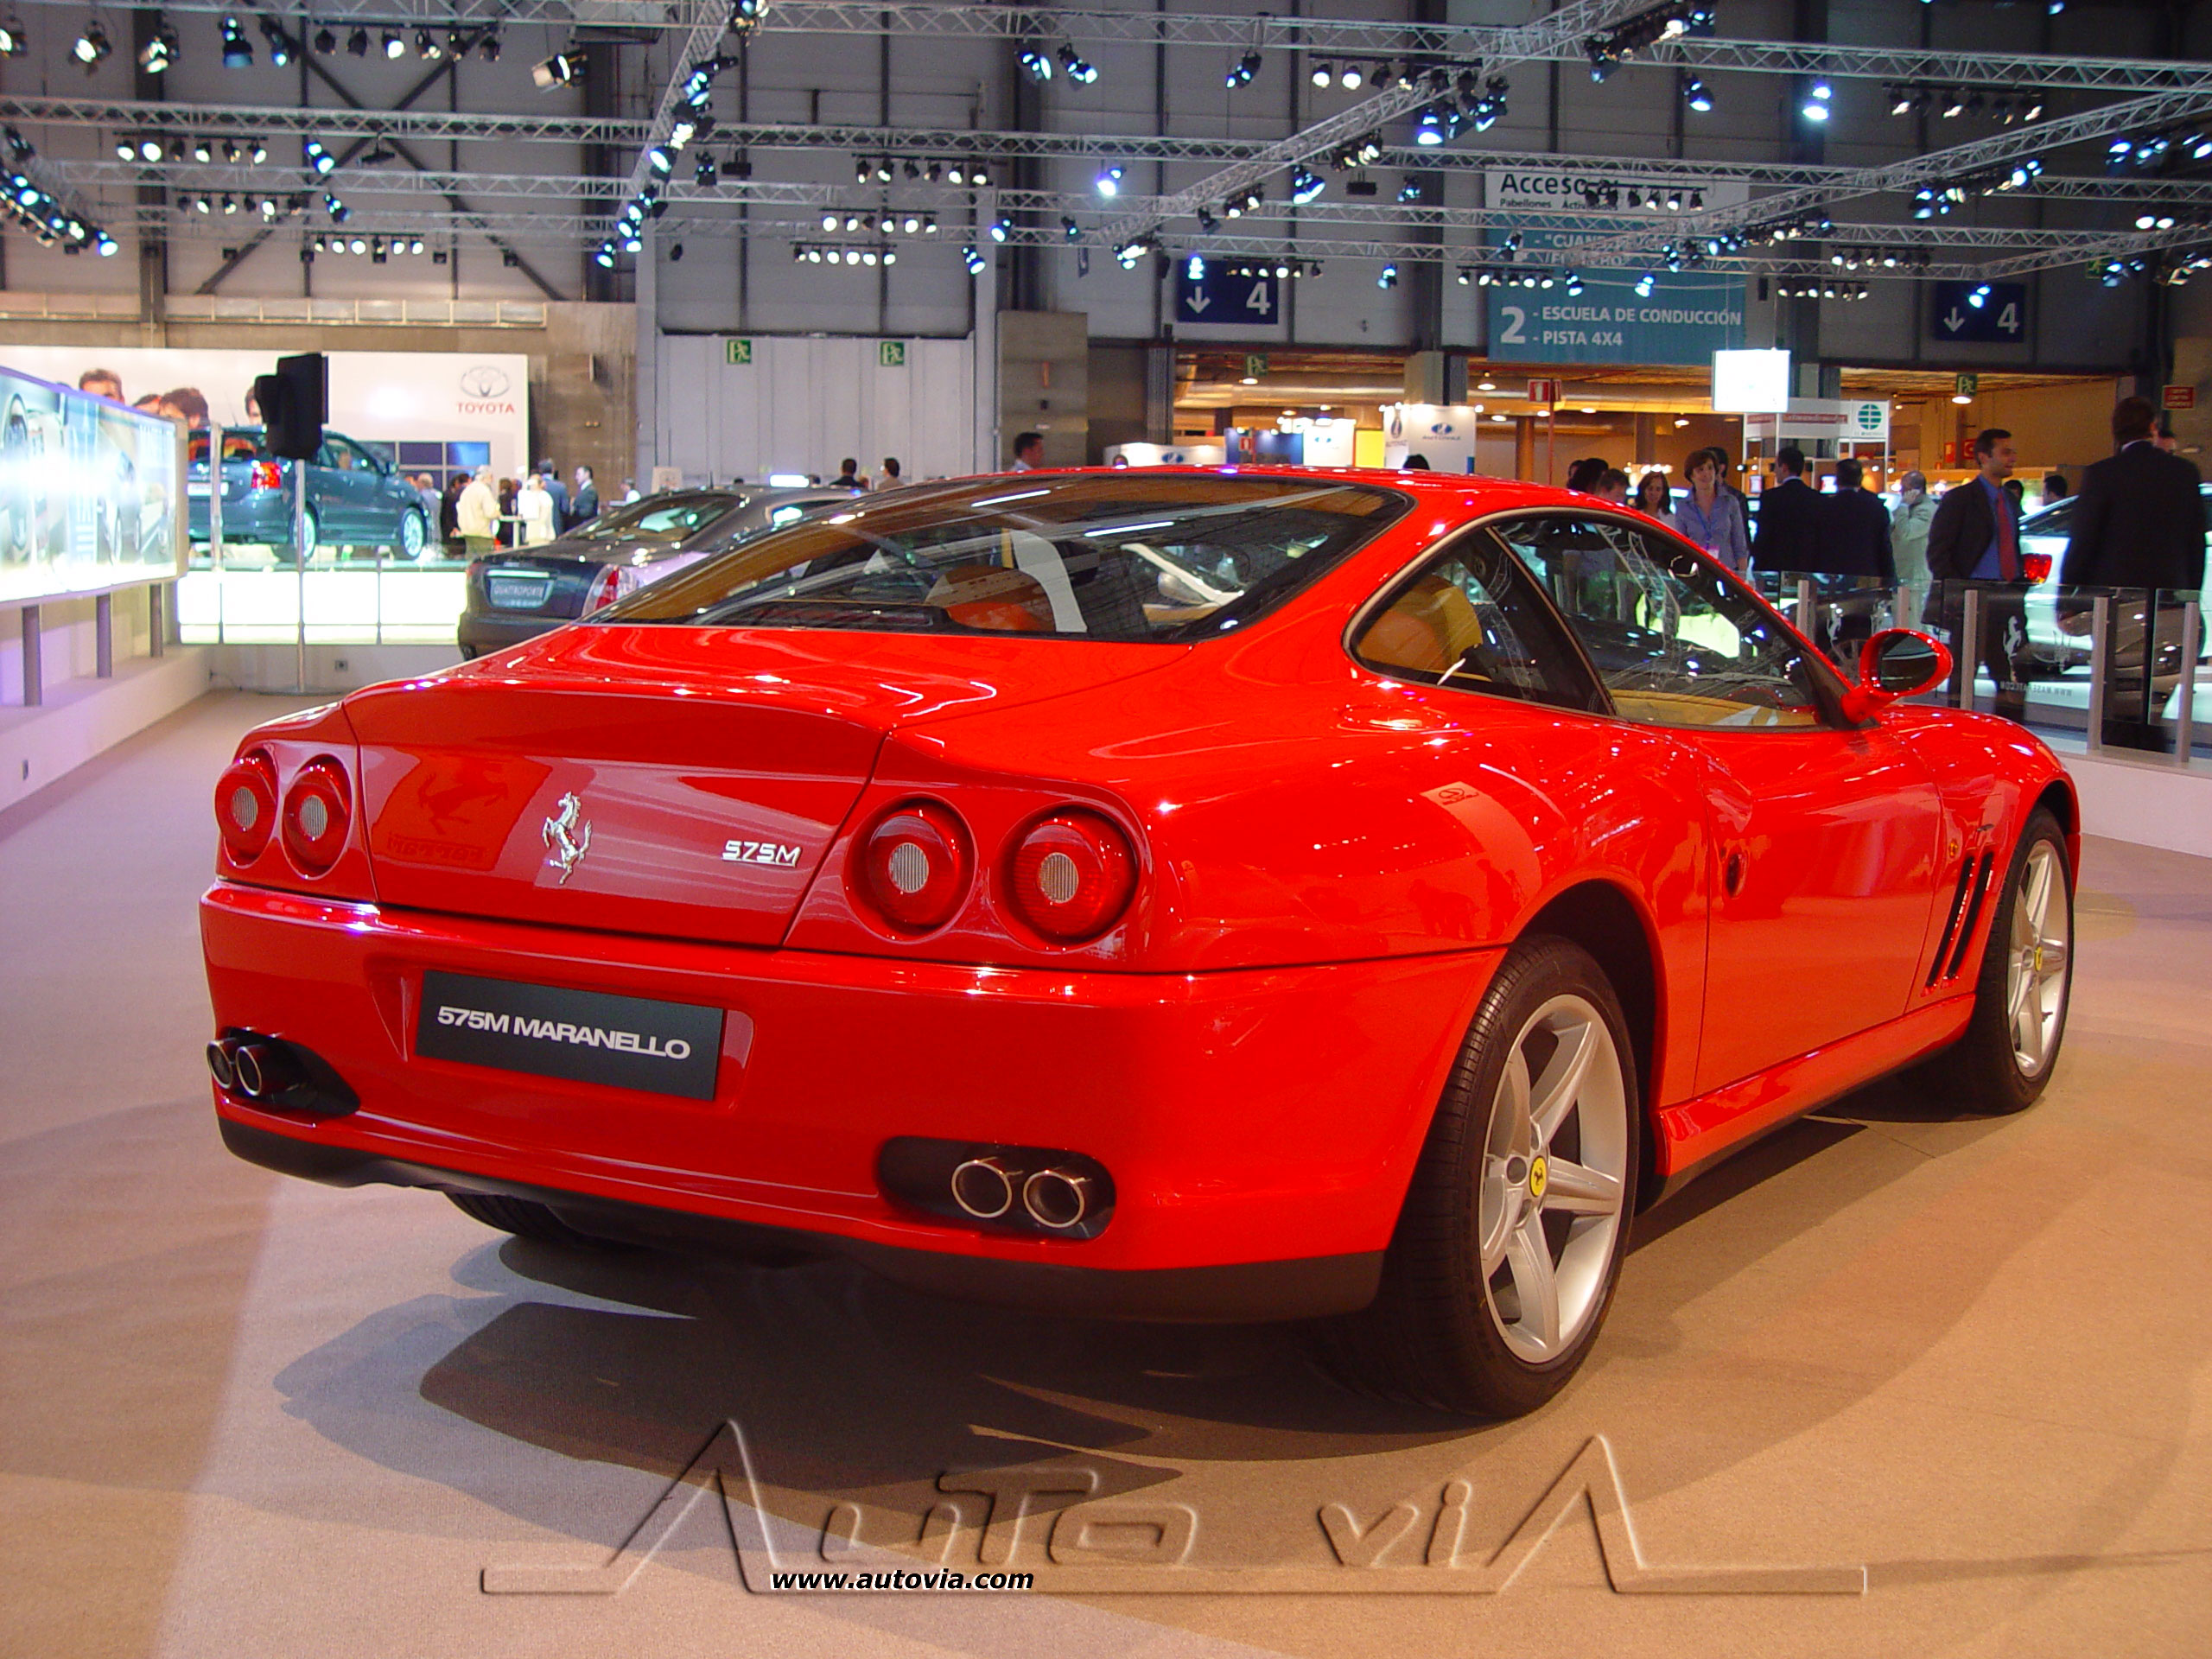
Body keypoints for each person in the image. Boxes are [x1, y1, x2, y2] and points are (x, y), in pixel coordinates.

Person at [2060, 395, 2208, 749]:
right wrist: (2190, 597)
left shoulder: (2102, 475)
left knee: (2117, 688)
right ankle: (2152, 746)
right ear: (2153, 428)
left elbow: (2083, 542)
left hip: (2118, 606)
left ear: (2116, 432)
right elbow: (2195, 544)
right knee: (2157, 685)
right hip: (2169, 601)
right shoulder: (2184, 473)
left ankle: (2118, 751)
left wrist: (2068, 600)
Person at [1926, 427, 2027, 718]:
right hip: (1972, 595)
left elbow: (2011, 546)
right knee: (1965, 665)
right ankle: (1957, 720)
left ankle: (2007, 724)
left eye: (2012, 452)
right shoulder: (1961, 499)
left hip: (2006, 594)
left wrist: (2019, 585)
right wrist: (1958, 590)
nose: (2012, 458)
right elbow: (1938, 551)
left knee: (2008, 664)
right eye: (2005, 452)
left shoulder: (2009, 501)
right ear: (1984, 457)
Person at [1672, 448, 1750, 575]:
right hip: (1697, 572)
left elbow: (1740, 545)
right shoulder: (1683, 507)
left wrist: (1742, 575)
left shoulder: (1730, 502)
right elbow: (1681, 546)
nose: (1706, 473)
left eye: (1710, 468)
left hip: (1727, 571)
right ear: (1691, 475)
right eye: (1700, 470)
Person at [1750, 445, 1821, 576]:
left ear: (1784, 467)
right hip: (1807, 567)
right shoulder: (1816, 498)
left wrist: (1758, 567)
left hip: (1775, 567)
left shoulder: (1770, 497)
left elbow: (1763, 536)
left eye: (1776, 466)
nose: (1774, 471)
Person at [1891, 470, 1936, 626]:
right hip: (1905, 574)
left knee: (1912, 622)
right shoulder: (1912, 508)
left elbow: (1906, 532)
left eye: (1904, 489)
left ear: (1915, 490)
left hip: (1915, 577)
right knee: (1903, 619)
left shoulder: (1926, 510)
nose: (1901, 492)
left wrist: (1903, 506)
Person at [456, 465, 499, 556]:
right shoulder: (484, 491)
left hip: (467, 533)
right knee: (483, 559)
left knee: (471, 559)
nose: (492, 480)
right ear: (486, 477)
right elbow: (490, 513)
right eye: (491, 477)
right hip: (481, 534)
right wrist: (497, 512)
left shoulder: (467, 490)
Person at [518, 471, 556, 546]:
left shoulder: (544, 496)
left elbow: (544, 516)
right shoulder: (529, 497)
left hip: (542, 535)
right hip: (532, 534)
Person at [536, 459, 569, 525]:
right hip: (556, 525)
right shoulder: (561, 487)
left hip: (538, 525)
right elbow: (565, 509)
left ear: (540, 471)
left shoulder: (535, 487)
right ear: (553, 470)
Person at [569, 464, 599, 528]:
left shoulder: (590, 491)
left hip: (584, 526)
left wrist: (573, 508)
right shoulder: (585, 490)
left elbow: (585, 513)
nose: (576, 477)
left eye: (578, 474)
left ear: (587, 474)